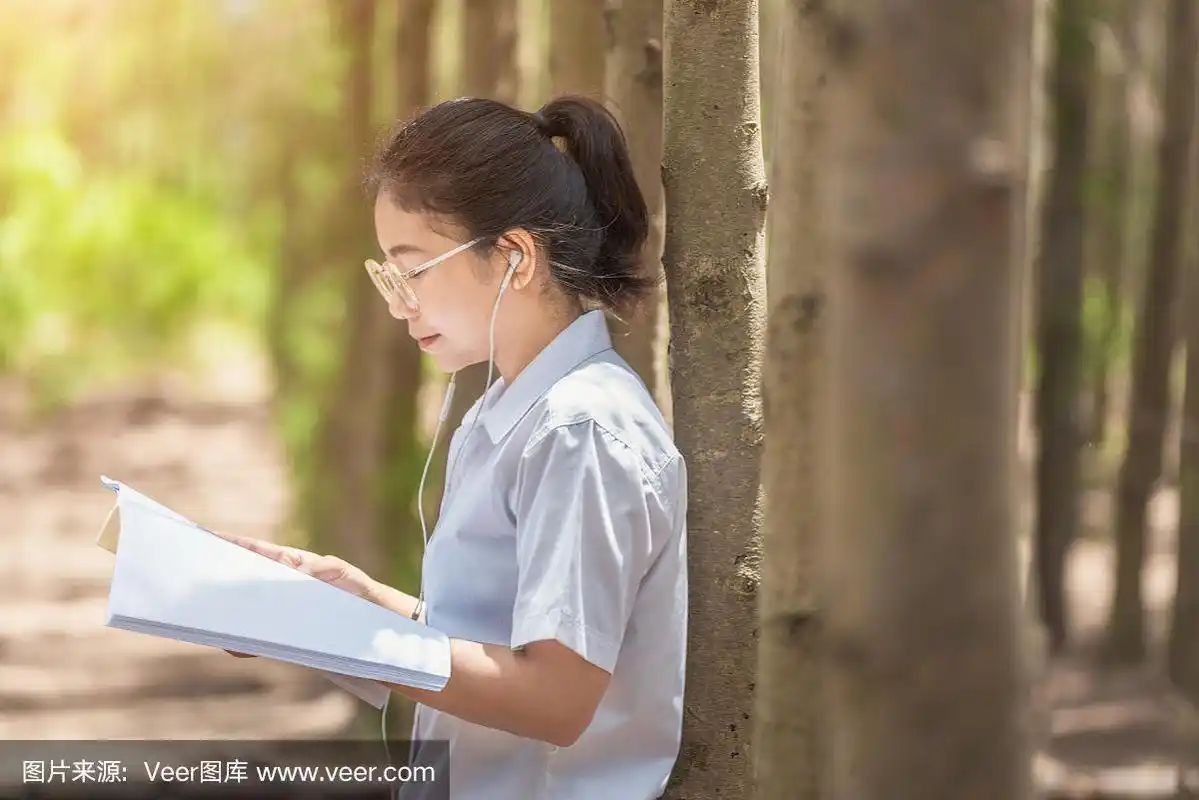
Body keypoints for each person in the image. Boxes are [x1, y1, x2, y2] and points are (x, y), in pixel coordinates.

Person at [224, 95, 689, 800]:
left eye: (412, 270)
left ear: (514, 258)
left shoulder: (580, 431)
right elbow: (491, 638)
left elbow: (555, 700)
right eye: (387, 275)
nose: (398, 303)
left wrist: (337, 633)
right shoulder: (503, 414)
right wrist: (356, 600)